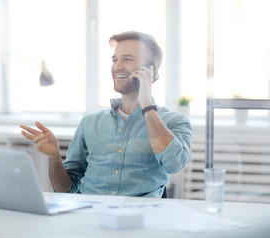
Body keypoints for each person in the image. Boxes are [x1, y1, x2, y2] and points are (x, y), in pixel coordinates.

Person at [20, 31, 192, 198]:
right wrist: (54, 157)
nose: (117, 66)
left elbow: (174, 164)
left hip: (139, 218)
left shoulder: (174, 122)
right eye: (115, 60)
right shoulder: (90, 123)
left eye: (128, 59)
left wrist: (146, 104)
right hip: (89, 215)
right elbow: (66, 190)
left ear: (151, 71)